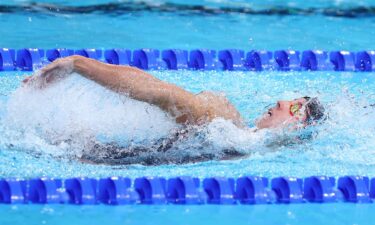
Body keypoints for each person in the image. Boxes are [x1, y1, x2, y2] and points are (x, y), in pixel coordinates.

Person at [22, 55, 326, 165]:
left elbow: (161, 94)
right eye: (289, 98)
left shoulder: (237, 135)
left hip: (94, 157)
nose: (281, 103)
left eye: (296, 106)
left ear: (299, 126)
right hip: (99, 156)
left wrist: (80, 65)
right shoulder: (234, 131)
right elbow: (160, 92)